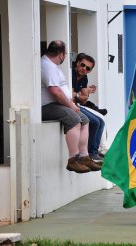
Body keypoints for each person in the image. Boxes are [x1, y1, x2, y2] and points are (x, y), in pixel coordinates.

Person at [41, 40, 101, 173]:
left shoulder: (51, 65)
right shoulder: (47, 66)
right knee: (74, 119)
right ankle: (73, 160)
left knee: (85, 119)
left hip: (58, 104)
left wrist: (72, 103)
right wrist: (71, 105)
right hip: (47, 106)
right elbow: (55, 92)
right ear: (62, 55)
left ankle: (84, 157)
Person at [72, 53, 106, 162]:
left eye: (87, 68)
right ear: (77, 63)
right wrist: (78, 95)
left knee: (101, 121)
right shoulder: (71, 73)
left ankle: (94, 152)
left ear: (89, 71)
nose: (84, 69)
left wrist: (77, 95)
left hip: (77, 104)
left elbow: (84, 98)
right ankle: (90, 153)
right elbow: (71, 95)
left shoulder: (84, 77)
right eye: (82, 65)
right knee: (94, 122)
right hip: (69, 105)